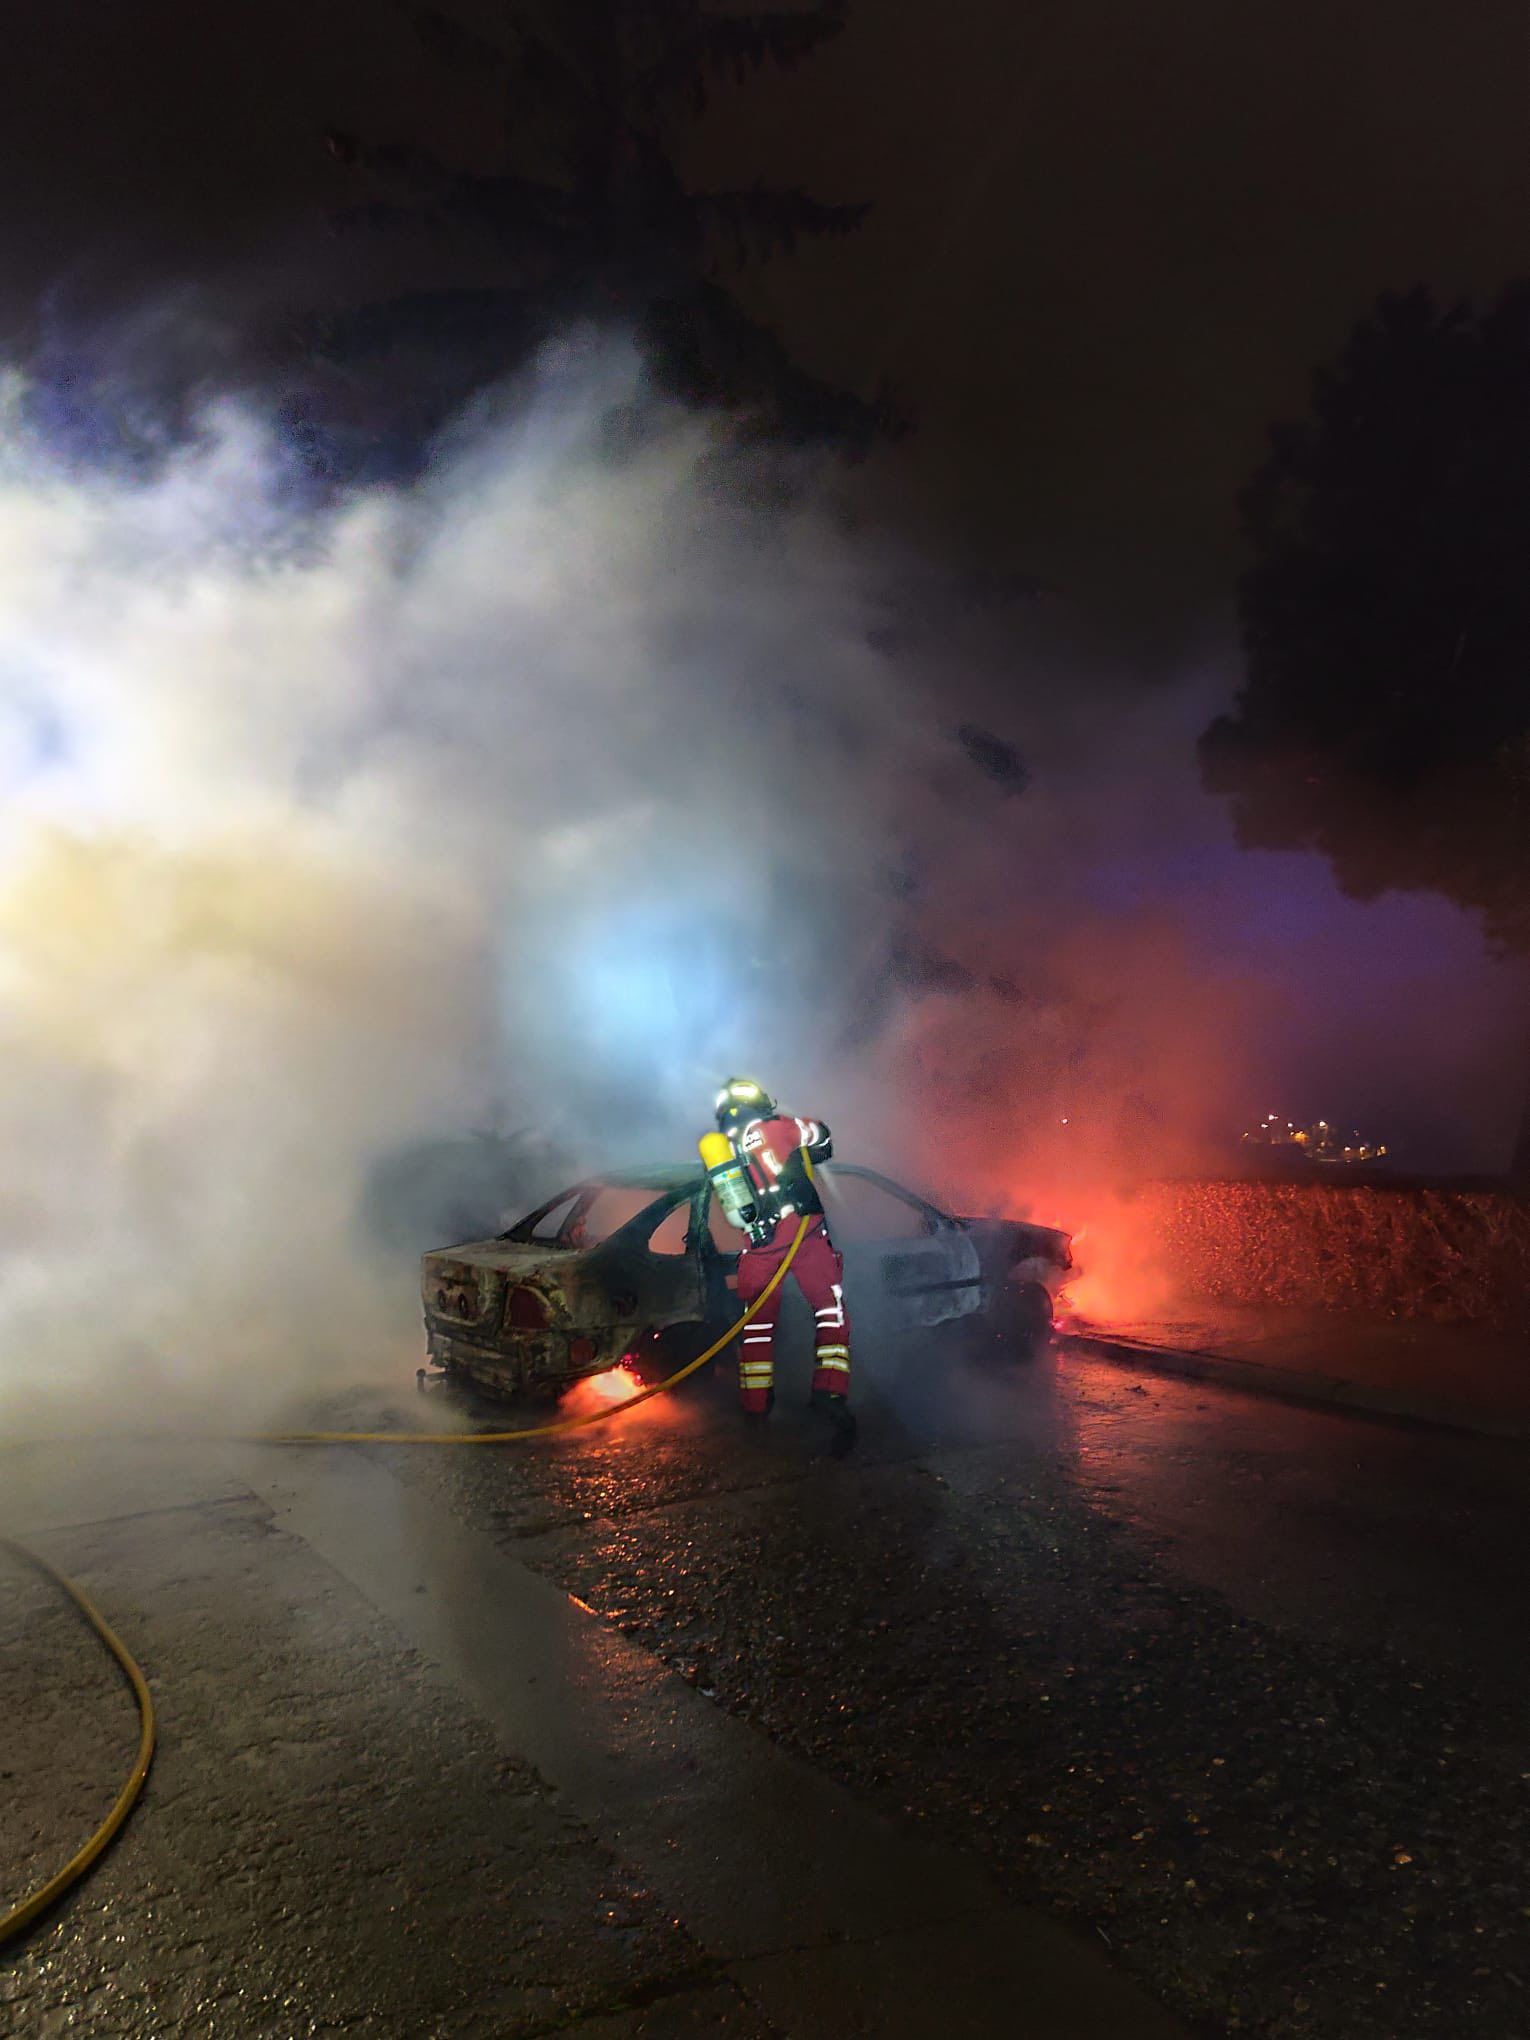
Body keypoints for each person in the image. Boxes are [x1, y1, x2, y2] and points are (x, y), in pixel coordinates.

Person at [712, 1076, 854, 1450]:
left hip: (758, 1250)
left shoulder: (722, 1152)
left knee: (756, 1328)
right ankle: (829, 1395)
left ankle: (755, 1409)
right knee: (830, 1314)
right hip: (804, 1239)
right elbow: (820, 1136)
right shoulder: (777, 1128)